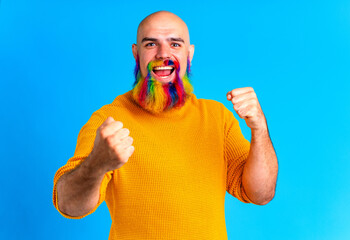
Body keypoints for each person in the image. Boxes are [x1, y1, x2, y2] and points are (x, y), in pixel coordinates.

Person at [53, 11, 278, 239]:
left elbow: (261, 194)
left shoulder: (217, 118)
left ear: (189, 54)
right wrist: (97, 164)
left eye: (175, 44)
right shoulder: (108, 121)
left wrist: (259, 128)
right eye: (151, 44)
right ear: (136, 54)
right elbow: (69, 205)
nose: (163, 54)